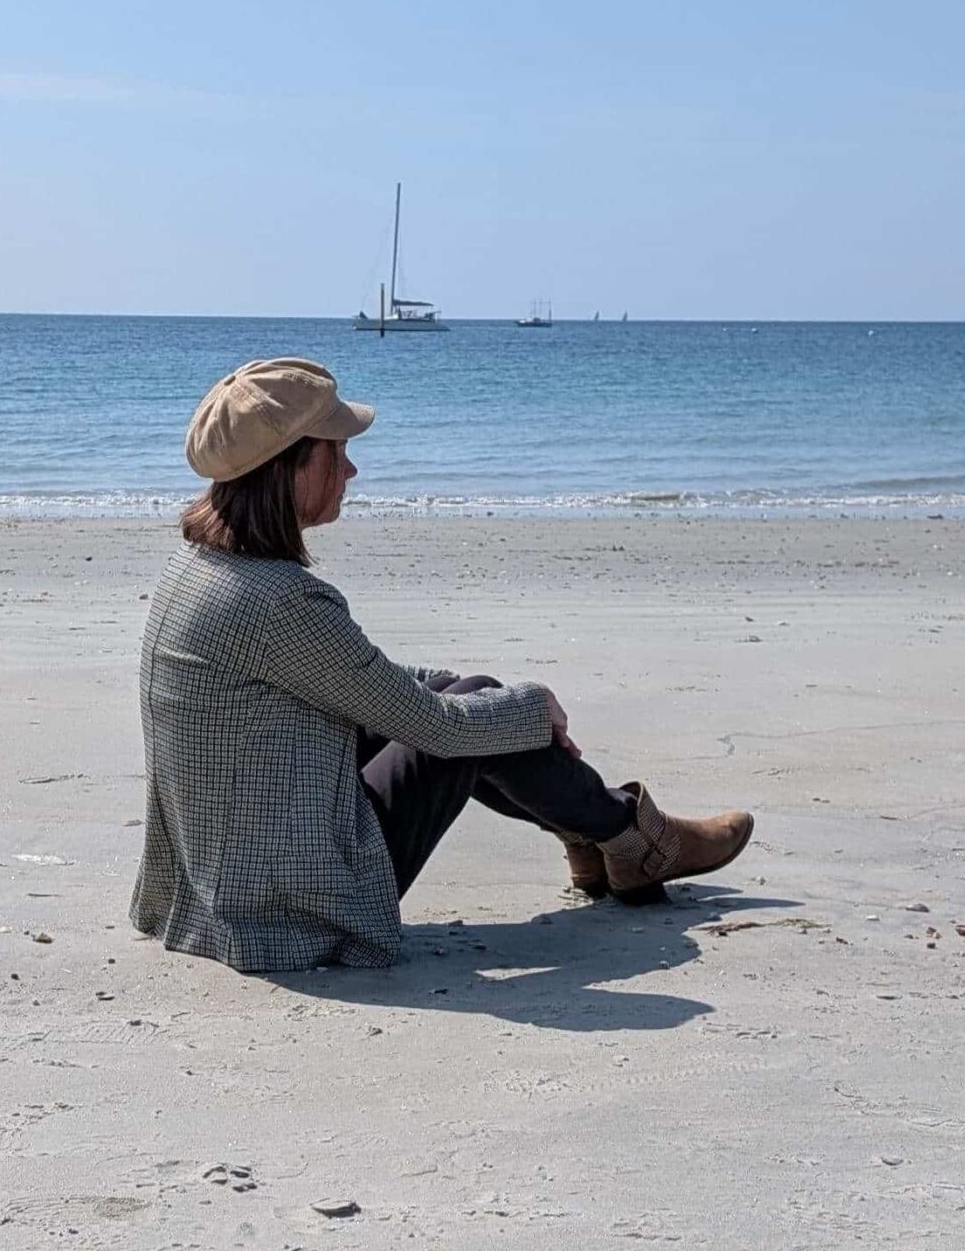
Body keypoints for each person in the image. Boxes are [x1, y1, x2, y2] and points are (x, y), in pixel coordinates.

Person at [129, 356, 754, 972]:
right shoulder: (280, 600)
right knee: (478, 710)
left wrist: (468, 696)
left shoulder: (197, 570)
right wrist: (532, 704)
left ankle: (606, 836)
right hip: (292, 909)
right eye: (337, 449)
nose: (350, 468)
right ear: (291, 466)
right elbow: (440, 730)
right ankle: (634, 840)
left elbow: (356, 678)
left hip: (221, 880)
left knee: (471, 696)